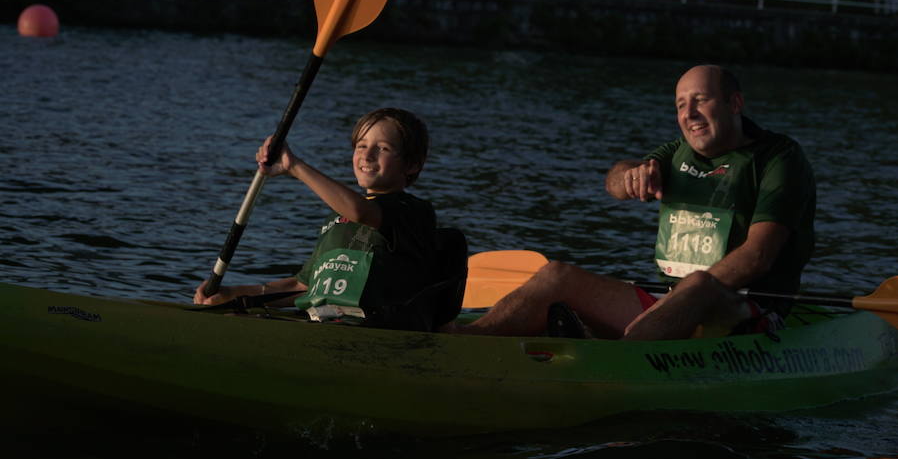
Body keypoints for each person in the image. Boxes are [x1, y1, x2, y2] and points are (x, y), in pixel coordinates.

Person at [444, 65, 816, 340]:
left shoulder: (779, 158)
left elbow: (757, 257)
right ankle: (469, 340)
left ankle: (616, 357)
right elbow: (615, 183)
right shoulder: (675, 154)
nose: (688, 115)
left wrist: (683, 296)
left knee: (700, 284)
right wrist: (630, 174)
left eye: (700, 100)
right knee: (556, 274)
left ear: (735, 103)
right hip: (667, 306)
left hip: (747, 312)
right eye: (681, 104)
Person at [194, 108, 447, 331]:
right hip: (322, 324)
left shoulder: (413, 212)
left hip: (373, 331)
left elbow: (361, 212)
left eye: (383, 148)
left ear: (412, 165)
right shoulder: (338, 218)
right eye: (361, 145)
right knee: (231, 315)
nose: (367, 156)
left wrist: (293, 166)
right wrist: (232, 294)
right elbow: (301, 286)